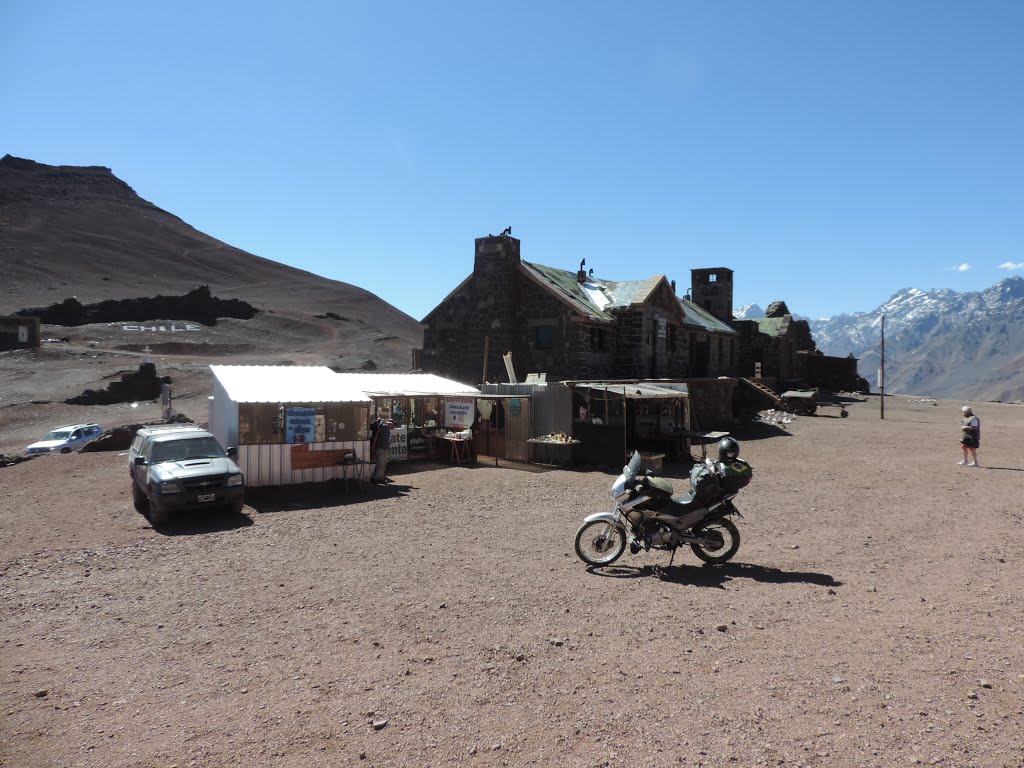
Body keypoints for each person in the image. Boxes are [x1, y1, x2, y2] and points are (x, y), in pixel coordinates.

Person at [370, 417, 393, 483]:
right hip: (380, 448)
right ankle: (374, 477)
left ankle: (381, 478)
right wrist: (383, 421)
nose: (391, 426)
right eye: (390, 424)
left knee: (383, 464)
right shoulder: (382, 427)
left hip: (384, 448)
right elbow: (380, 425)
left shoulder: (387, 430)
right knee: (380, 463)